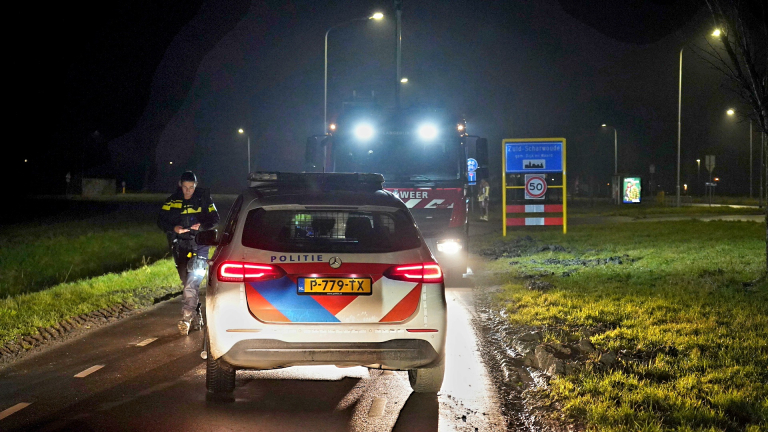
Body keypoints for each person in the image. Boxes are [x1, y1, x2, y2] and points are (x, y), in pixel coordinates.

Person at [158, 171, 220, 335]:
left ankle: (185, 318)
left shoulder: (204, 199)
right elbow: (161, 220)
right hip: (180, 246)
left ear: (196, 186)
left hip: (199, 245)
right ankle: (196, 315)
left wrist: (201, 225)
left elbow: (215, 219)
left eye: (191, 188)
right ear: (180, 185)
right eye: (185, 187)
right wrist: (174, 228)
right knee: (187, 283)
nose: (188, 191)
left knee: (192, 283)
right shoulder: (172, 200)